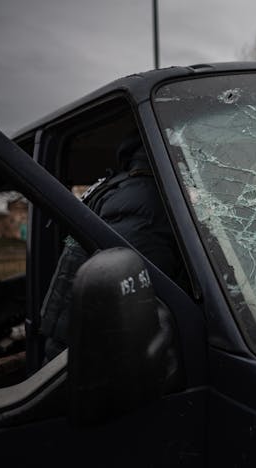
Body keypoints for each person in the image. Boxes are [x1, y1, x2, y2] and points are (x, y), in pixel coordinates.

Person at [39, 136, 184, 362]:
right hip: (82, 360)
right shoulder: (147, 199)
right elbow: (147, 303)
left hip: (74, 342)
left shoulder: (126, 187)